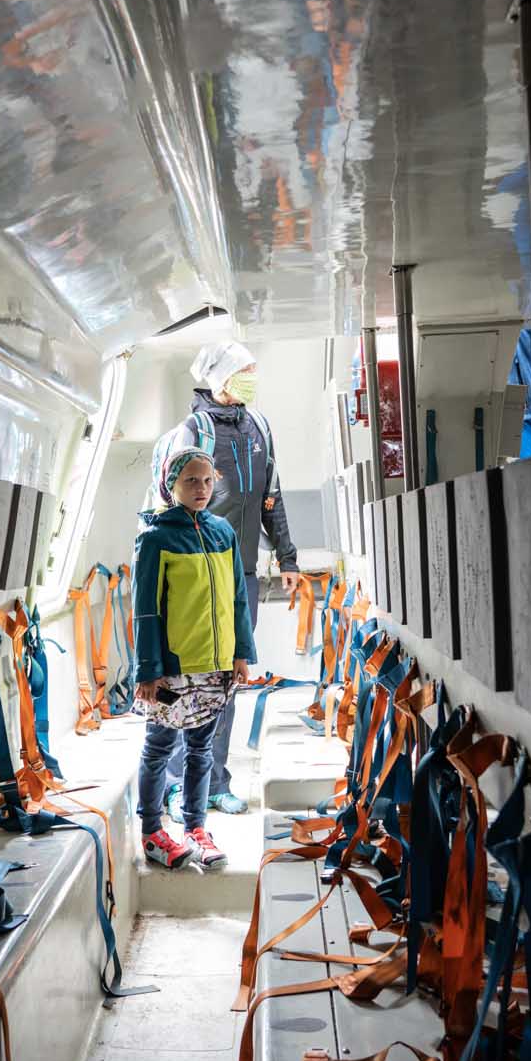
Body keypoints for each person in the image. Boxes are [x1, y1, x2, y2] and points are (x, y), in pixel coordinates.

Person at [146, 341, 299, 814]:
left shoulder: (260, 429)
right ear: (219, 377)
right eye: (244, 369)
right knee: (184, 681)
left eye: (255, 367)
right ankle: (174, 785)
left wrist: (288, 559)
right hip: (191, 576)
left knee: (227, 679)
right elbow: (164, 504)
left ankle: (215, 781)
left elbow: (270, 498)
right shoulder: (191, 432)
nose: (252, 375)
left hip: (241, 574)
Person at [131, 446, 253, 870]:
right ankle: (151, 831)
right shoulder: (156, 537)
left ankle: (196, 828)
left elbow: (238, 598)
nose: (201, 488)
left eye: (206, 480)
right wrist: (147, 670)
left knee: (202, 749)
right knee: (159, 748)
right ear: (171, 486)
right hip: (171, 669)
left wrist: (241, 653)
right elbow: (145, 610)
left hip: (215, 667)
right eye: (190, 481)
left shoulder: (223, 532)